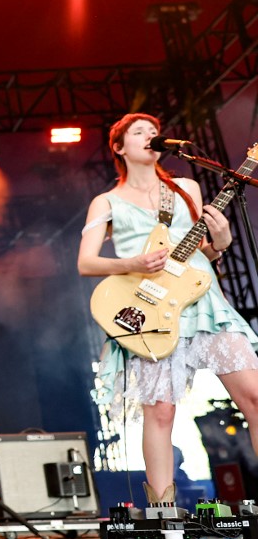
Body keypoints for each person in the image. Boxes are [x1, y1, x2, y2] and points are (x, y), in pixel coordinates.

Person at [78, 113, 258, 503]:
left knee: (255, 396)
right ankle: (165, 514)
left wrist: (222, 241)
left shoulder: (185, 187)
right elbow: (86, 263)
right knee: (160, 413)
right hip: (150, 309)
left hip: (203, 302)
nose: (149, 137)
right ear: (119, 147)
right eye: (138, 132)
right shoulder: (106, 202)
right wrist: (132, 264)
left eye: (154, 133)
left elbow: (204, 251)